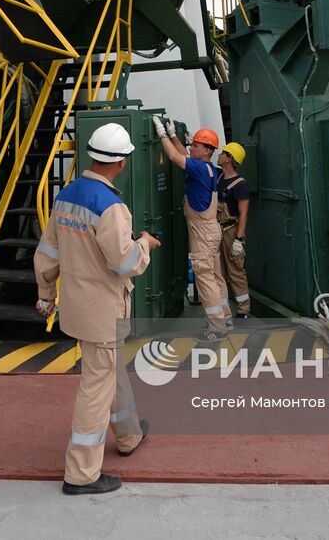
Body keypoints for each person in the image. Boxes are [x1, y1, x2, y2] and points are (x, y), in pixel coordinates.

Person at [34, 122, 161, 496]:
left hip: (78, 307)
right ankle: (81, 475)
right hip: (104, 311)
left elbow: (48, 252)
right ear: (121, 162)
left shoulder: (66, 196)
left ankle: (128, 435)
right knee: (96, 387)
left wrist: (45, 294)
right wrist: (145, 245)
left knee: (109, 369)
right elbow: (124, 264)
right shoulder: (112, 207)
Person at [154, 115, 230, 341]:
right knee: (216, 277)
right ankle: (224, 318)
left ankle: (217, 329)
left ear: (207, 150)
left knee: (205, 279)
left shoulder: (199, 169)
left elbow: (175, 156)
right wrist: (174, 135)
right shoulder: (208, 169)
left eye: (196, 145)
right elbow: (185, 155)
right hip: (211, 231)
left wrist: (162, 134)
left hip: (202, 233)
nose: (191, 147)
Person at [217, 141, 252, 319]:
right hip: (218, 231)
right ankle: (224, 312)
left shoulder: (240, 184)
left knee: (236, 272)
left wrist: (238, 240)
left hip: (232, 232)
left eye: (223, 153)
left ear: (230, 158)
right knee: (220, 273)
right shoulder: (220, 178)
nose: (219, 155)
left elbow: (243, 214)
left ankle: (243, 311)